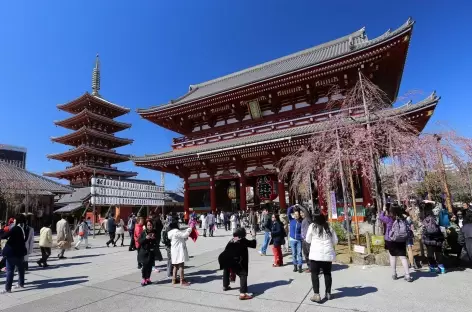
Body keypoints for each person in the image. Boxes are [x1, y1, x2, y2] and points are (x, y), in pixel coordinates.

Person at [306, 210, 338, 303]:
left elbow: (308, 240)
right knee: (327, 274)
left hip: (316, 255)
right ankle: (328, 293)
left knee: (314, 274)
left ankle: (316, 294)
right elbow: (335, 241)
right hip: (327, 255)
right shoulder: (329, 226)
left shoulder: (312, 226)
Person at [218, 227, 257, 300]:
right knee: (243, 274)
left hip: (226, 258)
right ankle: (243, 294)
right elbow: (253, 244)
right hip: (237, 261)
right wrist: (254, 236)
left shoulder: (233, 239)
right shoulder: (243, 240)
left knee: (226, 269)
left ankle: (225, 286)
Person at [379, 206, 413, 281]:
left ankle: (394, 274)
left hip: (390, 239)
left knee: (392, 256)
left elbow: (380, 217)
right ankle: (407, 275)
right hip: (401, 239)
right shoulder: (403, 218)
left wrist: (383, 211)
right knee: (403, 257)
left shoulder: (388, 218)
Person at [1, 214, 27, 294]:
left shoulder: (15, 228)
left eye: (14, 219)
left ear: (17, 220)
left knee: (10, 270)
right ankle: (21, 283)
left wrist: (1, 230)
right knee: (20, 268)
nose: (13, 220)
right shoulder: (24, 228)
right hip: (20, 252)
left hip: (12, 253)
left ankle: (8, 288)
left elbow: (5, 236)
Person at [167, 222, 192, 286]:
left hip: (174, 251)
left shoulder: (171, 233)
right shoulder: (176, 231)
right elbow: (184, 235)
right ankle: (182, 280)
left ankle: (174, 279)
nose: (179, 225)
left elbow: (181, 238)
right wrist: (189, 229)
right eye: (178, 224)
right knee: (181, 266)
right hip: (179, 251)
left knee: (175, 266)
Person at [138, 219, 158, 286]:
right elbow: (139, 241)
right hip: (144, 252)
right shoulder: (143, 232)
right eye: (148, 225)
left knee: (150, 266)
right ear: (146, 226)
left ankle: (148, 278)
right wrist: (145, 238)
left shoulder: (154, 232)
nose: (149, 226)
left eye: (150, 225)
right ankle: (144, 279)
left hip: (151, 252)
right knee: (145, 266)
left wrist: (154, 239)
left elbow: (157, 242)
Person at [287, 205, 304, 273]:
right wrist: (293, 206)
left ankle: (300, 266)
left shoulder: (301, 222)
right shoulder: (291, 220)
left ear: (299, 215)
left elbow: (302, 231)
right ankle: (295, 266)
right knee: (294, 253)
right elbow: (288, 212)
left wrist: (300, 237)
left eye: (297, 214)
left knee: (299, 253)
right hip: (292, 240)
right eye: (295, 214)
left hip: (299, 240)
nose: (296, 215)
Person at [300, 205, 313, 272]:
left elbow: (305, 210)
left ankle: (313, 267)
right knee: (306, 254)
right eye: (300, 213)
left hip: (308, 240)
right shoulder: (302, 220)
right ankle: (310, 267)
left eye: (302, 213)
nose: (301, 214)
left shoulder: (308, 218)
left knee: (310, 254)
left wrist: (298, 205)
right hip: (303, 240)